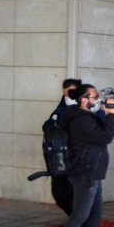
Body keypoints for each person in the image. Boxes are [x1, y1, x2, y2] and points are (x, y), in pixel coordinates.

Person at [53, 84, 114, 227]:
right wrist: (112, 115)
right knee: (80, 214)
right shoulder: (81, 120)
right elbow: (105, 137)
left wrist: (109, 112)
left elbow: (101, 132)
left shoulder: (86, 116)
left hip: (93, 172)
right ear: (84, 100)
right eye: (94, 97)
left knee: (95, 213)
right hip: (85, 173)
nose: (97, 99)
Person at [46, 78, 80, 216]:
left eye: (72, 93)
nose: (68, 96)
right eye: (66, 93)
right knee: (59, 193)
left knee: (75, 195)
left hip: (77, 158)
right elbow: (47, 126)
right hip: (60, 158)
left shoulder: (86, 108)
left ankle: (79, 225)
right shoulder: (61, 108)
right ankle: (76, 220)